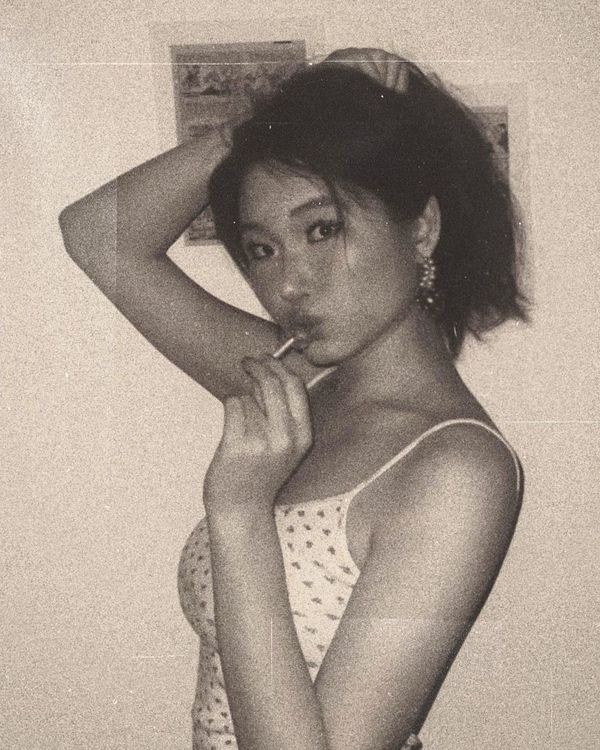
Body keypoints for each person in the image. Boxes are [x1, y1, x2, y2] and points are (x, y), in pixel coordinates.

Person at [59, 47, 527, 750]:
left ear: (422, 229)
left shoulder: (458, 471)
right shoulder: (300, 383)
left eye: (322, 229)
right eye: (261, 248)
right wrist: (263, 127)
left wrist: (240, 511)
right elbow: (100, 235)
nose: (287, 285)